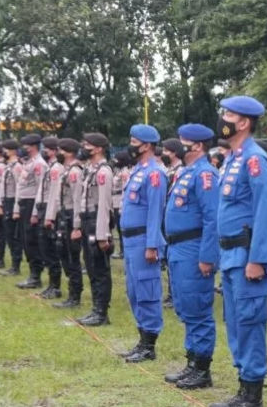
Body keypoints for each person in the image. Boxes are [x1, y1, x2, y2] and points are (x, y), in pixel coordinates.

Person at [210, 96, 267, 407]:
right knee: (236, 324)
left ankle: (253, 394)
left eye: (228, 114)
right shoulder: (234, 158)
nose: (223, 118)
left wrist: (258, 259)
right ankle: (243, 388)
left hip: (247, 256)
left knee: (249, 324)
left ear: (244, 122)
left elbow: (266, 212)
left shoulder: (254, 159)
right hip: (230, 256)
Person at [163, 124, 219, 389]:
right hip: (177, 248)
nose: (176, 146)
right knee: (185, 307)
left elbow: (212, 218)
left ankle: (202, 369)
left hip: (193, 248)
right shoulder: (187, 172)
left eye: (183, 141)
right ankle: (192, 362)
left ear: (197, 145)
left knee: (197, 307)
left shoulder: (206, 174)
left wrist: (208, 256)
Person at [118, 124, 167, 363]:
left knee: (147, 290)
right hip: (130, 240)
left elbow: (155, 212)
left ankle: (149, 344)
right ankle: (142, 338)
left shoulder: (154, 173)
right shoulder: (138, 170)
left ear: (147, 145)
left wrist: (152, 244)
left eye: (134, 141)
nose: (131, 145)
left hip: (142, 240)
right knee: (134, 291)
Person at [75, 133, 114, 326]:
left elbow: (105, 205)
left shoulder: (103, 172)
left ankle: (101, 312)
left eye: (88, 145)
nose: (84, 147)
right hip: (87, 220)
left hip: (96, 222)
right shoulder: (91, 170)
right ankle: (95, 309)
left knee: (100, 269)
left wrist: (102, 234)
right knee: (91, 267)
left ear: (98, 148)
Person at [48, 138, 85, 308]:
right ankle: (71, 293)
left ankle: (74, 295)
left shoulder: (75, 171)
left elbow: (78, 199)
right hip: (64, 214)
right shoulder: (66, 170)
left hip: (72, 216)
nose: (58, 153)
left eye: (60, 150)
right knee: (63, 252)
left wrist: (77, 225)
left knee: (73, 257)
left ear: (69, 152)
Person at [13, 134, 46, 289]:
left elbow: (41, 189)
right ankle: (32, 274)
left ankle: (36, 276)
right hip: (24, 204)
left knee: (32, 241)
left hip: (32, 203)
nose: (23, 149)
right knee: (26, 240)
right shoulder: (29, 163)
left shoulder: (39, 164)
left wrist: (34, 212)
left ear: (32, 147)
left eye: (25, 146)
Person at [37, 137, 64, 299]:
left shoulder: (56, 169)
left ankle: (56, 286)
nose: (44, 151)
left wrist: (49, 217)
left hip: (50, 211)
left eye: (46, 148)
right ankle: (51, 284)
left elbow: (54, 194)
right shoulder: (50, 167)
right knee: (45, 249)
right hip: (43, 209)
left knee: (52, 251)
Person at [160, 138, 184, 309]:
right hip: (165, 216)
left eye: (166, 151)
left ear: (174, 152)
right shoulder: (170, 170)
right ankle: (172, 293)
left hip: (174, 217)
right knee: (169, 257)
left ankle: (175, 294)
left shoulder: (180, 171)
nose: (163, 154)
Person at [0, 139, 24, 276]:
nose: (3, 152)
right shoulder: (9, 166)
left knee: (14, 236)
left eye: (5, 149)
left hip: (13, 201)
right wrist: (0, 204)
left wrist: (16, 208)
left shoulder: (17, 167)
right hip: (7, 201)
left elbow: (19, 187)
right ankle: (13, 264)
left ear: (12, 151)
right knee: (8, 234)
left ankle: (16, 265)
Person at [111, 151, 131, 259]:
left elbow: (124, 189)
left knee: (120, 228)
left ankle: (124, 251)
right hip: (114, 201)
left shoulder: (124, 172)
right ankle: (122, 250)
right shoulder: (118, 171)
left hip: (119, 201)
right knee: (118, 228)